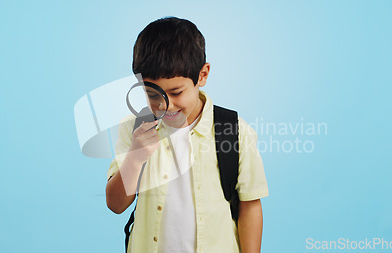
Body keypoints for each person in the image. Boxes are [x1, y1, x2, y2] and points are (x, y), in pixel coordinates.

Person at [105, 17, 269, 253]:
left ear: (202, 75)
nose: (166, 105)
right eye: (153, 95)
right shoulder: (133, 127)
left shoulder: (234, 130)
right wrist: (135, 157)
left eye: (177, 92)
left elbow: (250, 204)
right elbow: (116, 204)